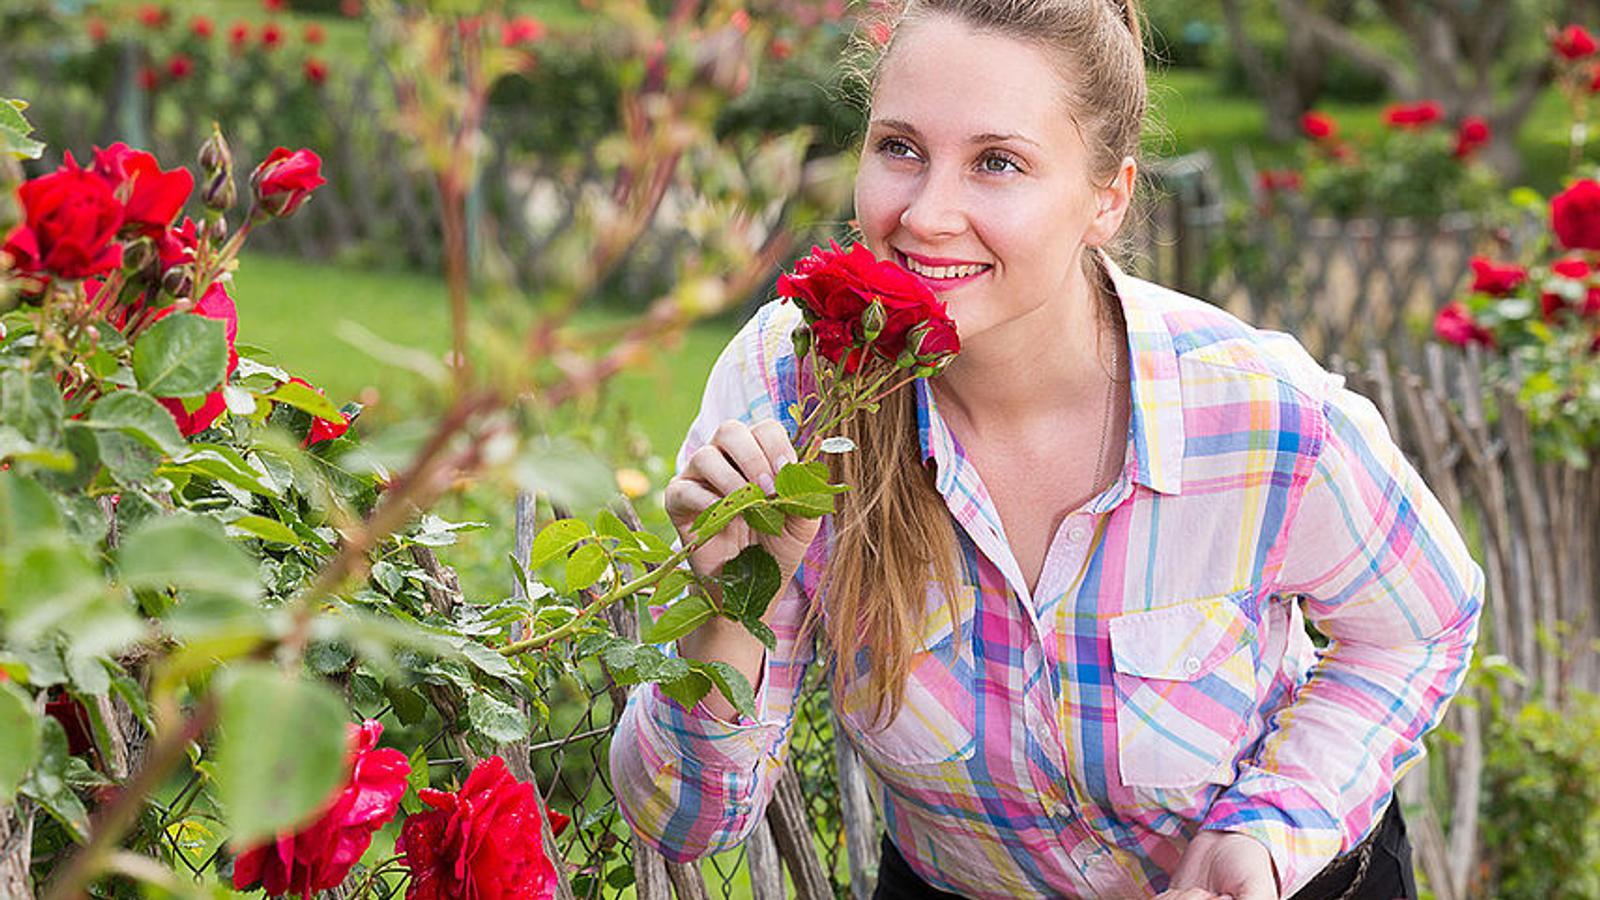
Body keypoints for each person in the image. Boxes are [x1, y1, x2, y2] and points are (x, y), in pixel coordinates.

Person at [609, 0, 1484, 897]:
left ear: (1107, 197)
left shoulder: (1258, 415)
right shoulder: (791, 386)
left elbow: (1421, 626)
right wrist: (724, 613)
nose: (927, 214)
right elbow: (684, 825)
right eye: (899, 148)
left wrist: (1269, 831)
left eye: (998, 163)